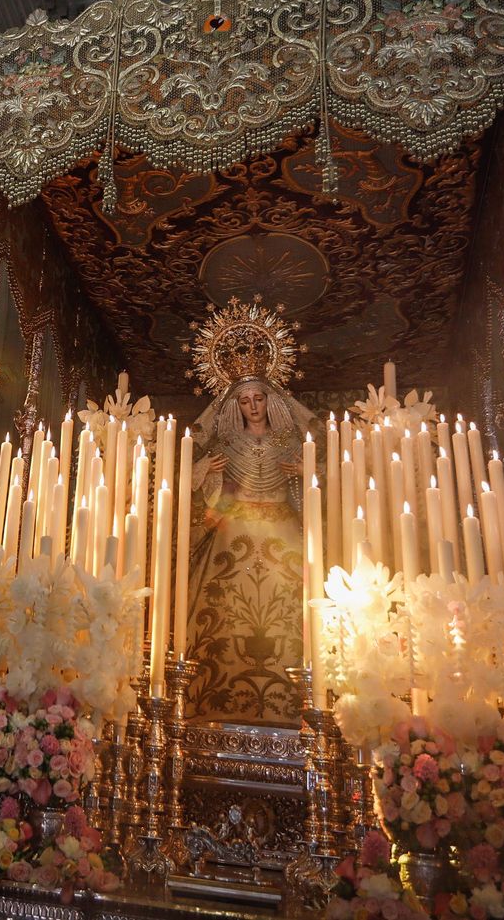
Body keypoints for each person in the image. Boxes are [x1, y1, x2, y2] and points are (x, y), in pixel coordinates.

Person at [183, 299, 317, 724]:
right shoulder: (225, 445)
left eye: (260, 399)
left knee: (295, 613)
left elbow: (319, 476)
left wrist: (306, 469)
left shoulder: (288, 443)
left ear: (271, 402)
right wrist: (206, 469)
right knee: (222, 613)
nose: (253, 406)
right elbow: (199, 486)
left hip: (284, 529)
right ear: (235, 406)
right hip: (234, 531)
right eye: (245, 401)